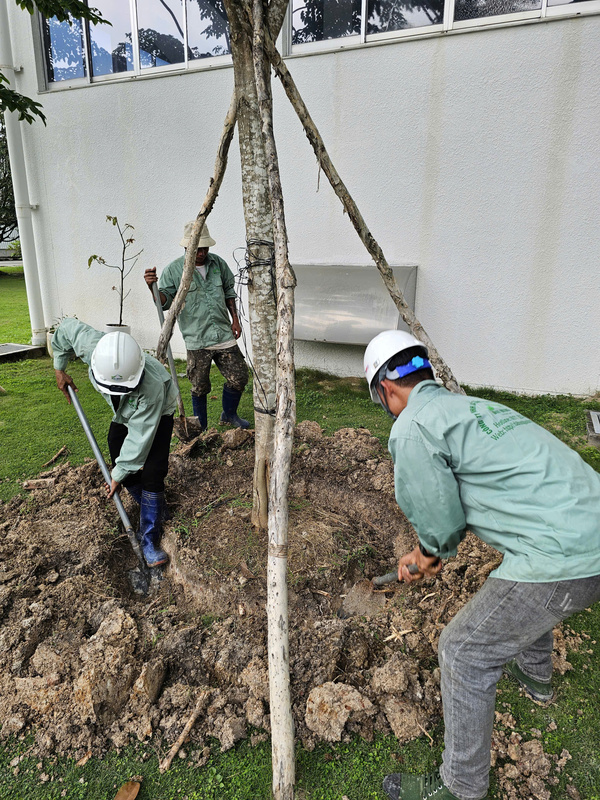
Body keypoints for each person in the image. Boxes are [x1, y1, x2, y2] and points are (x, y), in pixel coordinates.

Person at [363, 329, 600, 800]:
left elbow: (441, 518)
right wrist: (432, 548)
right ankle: (536, 675)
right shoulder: (475, 408)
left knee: (463, 652)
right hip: (588, 531)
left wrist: (426, 554)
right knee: (522, 576)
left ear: (387, 390)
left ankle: (462, 788)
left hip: (565, 558)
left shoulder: (412, 425)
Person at [53, 318, 179, 568]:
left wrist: (118, 475)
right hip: (125, 411)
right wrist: (59, 367)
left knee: (153, 469)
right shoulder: (95, 349)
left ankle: (149, 538)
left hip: (158, 411)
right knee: (114, 444)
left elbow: (139, 440)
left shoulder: (151, 387)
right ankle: (152, 506)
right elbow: (65, 329)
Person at [144, 221, 249, 432]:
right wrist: (152, 287)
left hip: (222, 333)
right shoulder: (174, 270)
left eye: (205, 248)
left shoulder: (218, 264)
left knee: (239, 376)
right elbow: (164, 303)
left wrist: (235, 320)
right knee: (200, 386)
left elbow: (229, 292)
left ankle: (229, 415)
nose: (201, 252)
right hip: (197, 338)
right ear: (187, 247)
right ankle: (200, 427)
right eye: (197, 248)